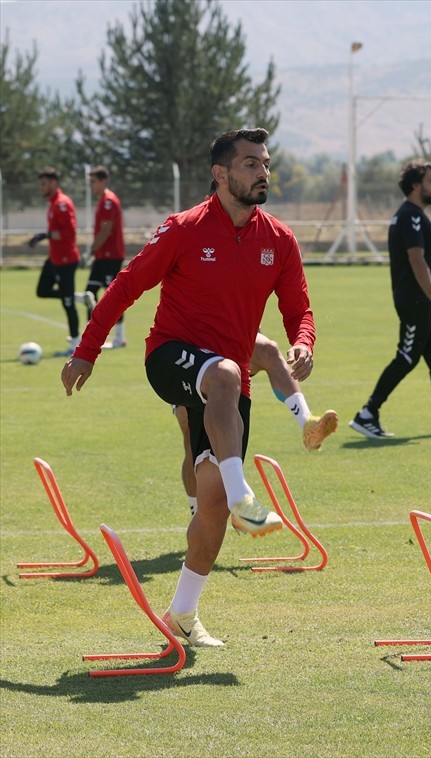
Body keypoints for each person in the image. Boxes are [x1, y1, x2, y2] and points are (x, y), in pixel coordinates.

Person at [62, 128, 316, 648]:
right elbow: (126, 284)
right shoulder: (183, 229)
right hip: (170, 356)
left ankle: (181, 612)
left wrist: (303, 342)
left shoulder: (280, 239)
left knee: (212, 504)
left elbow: (298, 309)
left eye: (265, 163)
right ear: (219, 175)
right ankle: (246, 490)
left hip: (227, 383)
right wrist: (87, 350)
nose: (262, 172)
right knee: (222, 375)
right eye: (249, 164)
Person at [350, 160, 431, 438]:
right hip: (416, 302)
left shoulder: (414, 215)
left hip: (420, 301)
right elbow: (416, 258)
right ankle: (367, 413)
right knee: (407, 355)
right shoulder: (410, 216)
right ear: (415, 185)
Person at [175, 332, 339, 514]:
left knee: (268, 350)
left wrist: (303, 342)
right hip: (192, 347)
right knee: (190, 435)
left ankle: (307, 424)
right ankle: (197, 511)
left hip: (231, 338)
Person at [29, 167, 82, 357]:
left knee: (67, 304)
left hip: (66, 261)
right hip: (54, 259)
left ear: (53, 183)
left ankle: (75, 345)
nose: (41, 187)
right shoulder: (52, 203)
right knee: (42, 290)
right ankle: (76, 296)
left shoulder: (62, 203)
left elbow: (69, 233)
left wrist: (45, 235)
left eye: (44, 184)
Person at [83, 166, 128, 347]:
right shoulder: (102, 201)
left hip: (110, 257)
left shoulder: (109, 201)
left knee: (112, 296)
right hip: (102, 257)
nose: (91, 186)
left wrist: (90, 250)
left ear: (104, 182)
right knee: (89, 293)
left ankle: (119, 337)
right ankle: (91, 337)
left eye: (93, 182)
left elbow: (106, 229)